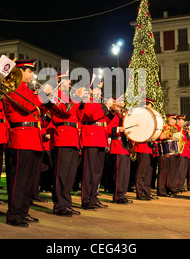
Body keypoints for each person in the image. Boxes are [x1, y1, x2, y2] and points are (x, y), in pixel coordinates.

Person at [4, 58, 53, 227]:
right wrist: (41, 96)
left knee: (30, 179)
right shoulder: (12, 87)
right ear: (19, 71)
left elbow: (40, 110)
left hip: (33, 137)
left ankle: (23, 211)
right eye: (29, 71)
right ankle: (14, 213)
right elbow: (26, 106)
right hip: (21, 136)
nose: (32, 74)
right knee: (19, 179)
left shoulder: (28, 90)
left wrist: (47, 98)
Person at [50, 72, 83, 216]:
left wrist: (81, 103)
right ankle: (59, 205)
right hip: (63, 136)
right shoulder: (54, 95)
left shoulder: (68, 97)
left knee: (70, 175)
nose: (69, 83)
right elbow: (66, 111)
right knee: (62, 174)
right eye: (67, 80)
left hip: (73, 137)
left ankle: (66, 203)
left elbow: (78, 116)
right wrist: (77, 98)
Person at [80, 82, 114, 210]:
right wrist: (106, 107)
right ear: (91, 91)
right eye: (97, 89)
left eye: (100, 89)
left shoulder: (99, 104)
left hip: (100, 138)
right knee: (89, 171)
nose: (100, 92)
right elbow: (92, 115)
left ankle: (94, 197)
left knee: (97, 172)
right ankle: (86, 199)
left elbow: (107, 121)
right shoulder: (87, 101)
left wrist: (111, 110)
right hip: (91, 137)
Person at [106, 98, 132, 204]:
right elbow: (107, 129)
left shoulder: (122, 116)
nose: (122, 104)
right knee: (119, 173)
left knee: (125, 173)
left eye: (123, 102)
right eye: (120, 102)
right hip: (118, 144)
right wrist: (118, 129)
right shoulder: (113, 115)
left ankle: (122, 194)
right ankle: (117, 195)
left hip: (125, 146)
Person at [158, 114, 178, 197]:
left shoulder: (176, 128)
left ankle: (168, 189)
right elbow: (160, 137)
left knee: (170, 173)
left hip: (172, 152)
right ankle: (161, 190)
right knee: (163, 172)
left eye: (174, 119)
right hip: (165, 152)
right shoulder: (165, 127)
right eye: (172, 119)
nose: (173, 121)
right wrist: (168, 135)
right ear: (168, 120)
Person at [175, 115, 190, 193]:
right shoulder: (177, 128)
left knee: (183, 171)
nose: (183, 122)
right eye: (182, 121)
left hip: (184, 152)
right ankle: (178, 186)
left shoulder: (182, 130)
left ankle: (181, 185)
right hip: (180, 152)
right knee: (180, 171)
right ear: (178, 121)